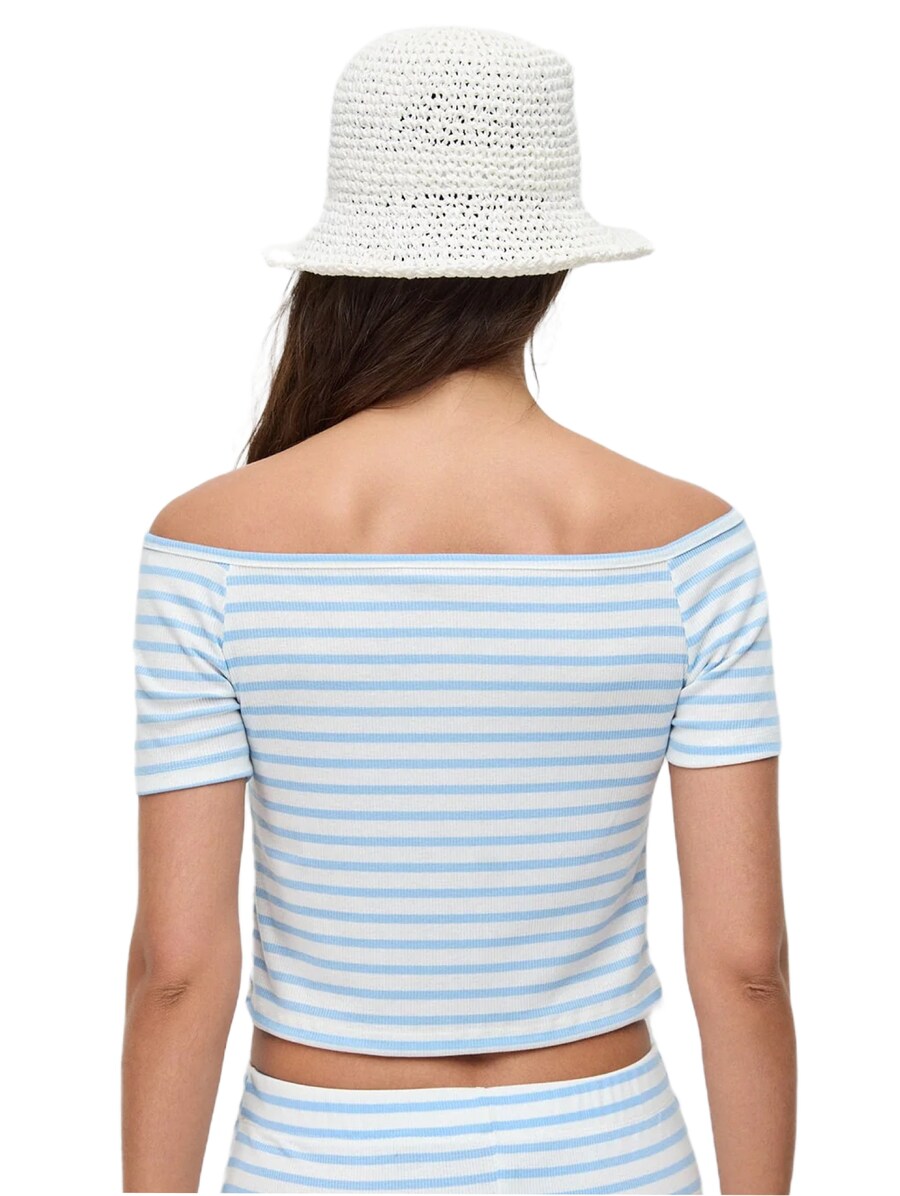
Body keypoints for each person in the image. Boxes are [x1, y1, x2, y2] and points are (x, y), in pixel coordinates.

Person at [121, 25, 796, 1196]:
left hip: (320, 1153)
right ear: (552, 266)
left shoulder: (212, 545)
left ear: (345, 261)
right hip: (610, 1150)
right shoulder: (689, 545)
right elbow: (745, 963)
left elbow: (178, 967)